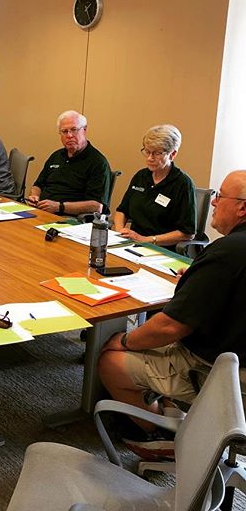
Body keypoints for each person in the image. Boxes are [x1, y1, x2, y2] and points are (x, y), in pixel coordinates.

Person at [98, 171, 246, 453]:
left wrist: (125, 341)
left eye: (219, 196)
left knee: (110, 358)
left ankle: (160, 438)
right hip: (236, 359)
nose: (213, 203)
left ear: (242, 207)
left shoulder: (226, 253)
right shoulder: (229, 255)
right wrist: (197, 279)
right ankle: (173, 411)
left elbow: (170, 327)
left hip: (224, 377)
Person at [113, 125, 196, 248]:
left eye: (157, 153)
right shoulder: (141, 176)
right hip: (132, 244)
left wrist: (147, 240)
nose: (150, 158)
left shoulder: (183, 184)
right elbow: (122, 211)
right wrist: (120, 231)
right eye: (147, 151)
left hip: (161, 248)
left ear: (172, 154)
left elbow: (187, 233)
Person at [27, 110, 111, 215]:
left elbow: (97, 206)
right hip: (41, 212)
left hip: (70, 219)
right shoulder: (56, 156)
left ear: (84, 130)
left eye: (74, 130)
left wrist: (59, 207)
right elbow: (38, 185)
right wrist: (34, 196)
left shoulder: (98, 162)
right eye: (64, 131)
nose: (69, 135)